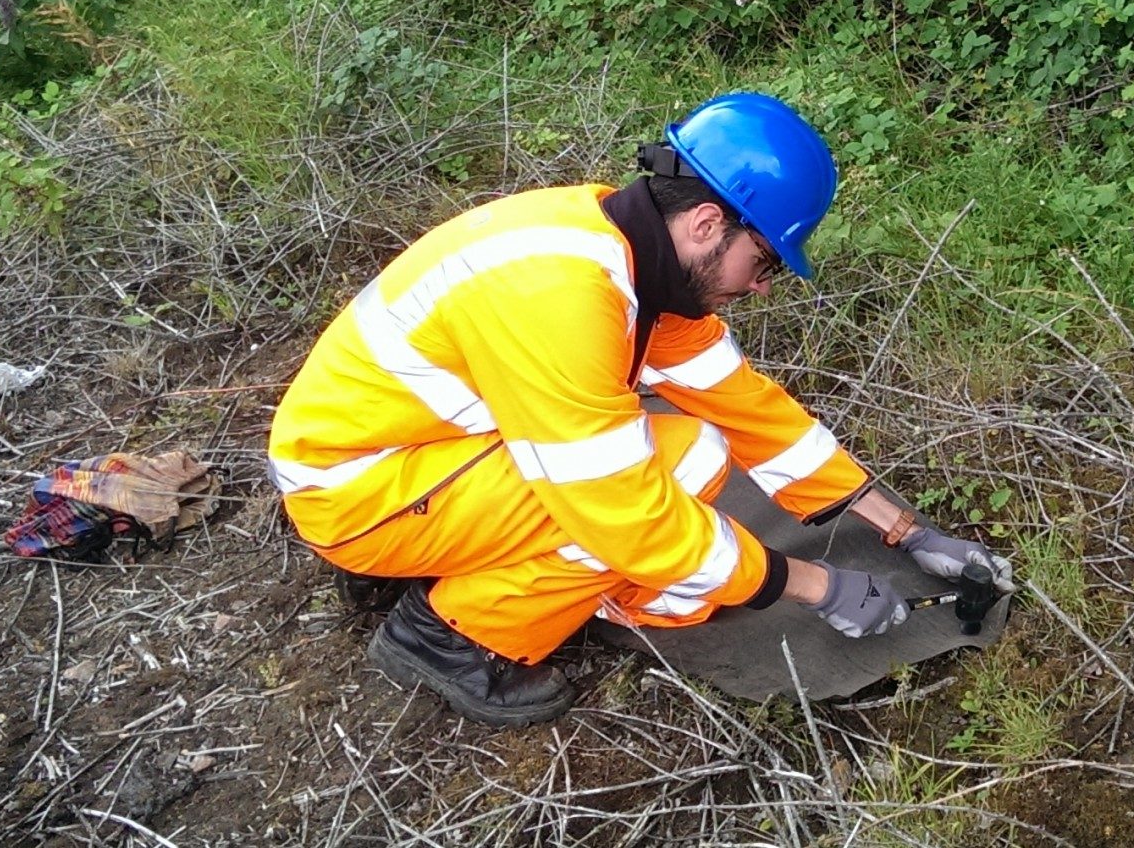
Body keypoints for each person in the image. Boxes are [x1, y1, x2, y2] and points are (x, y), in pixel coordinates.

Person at [267, 92, 1012, 726]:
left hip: (415, 455)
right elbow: (621, 508)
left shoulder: (624, 247)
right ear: (707, 223)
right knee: (677, 468)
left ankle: (479, 560)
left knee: (690, 442)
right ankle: (454, 635)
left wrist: (906, 530)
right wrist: (816, 586)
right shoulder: (562, 296)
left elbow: (748, 408)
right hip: (364, 494)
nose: (761, 288)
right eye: (767, 263)